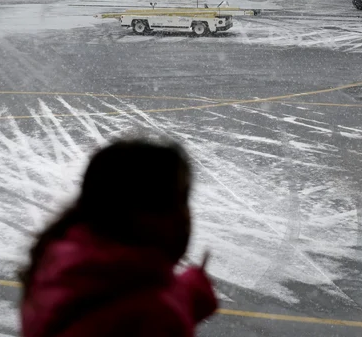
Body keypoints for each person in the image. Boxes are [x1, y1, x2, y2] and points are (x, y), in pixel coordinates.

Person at [20, 137, 217, 337]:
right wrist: (177, 304)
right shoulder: (156, 318)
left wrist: (184, 295)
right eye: (174, 202)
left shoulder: (63, 267)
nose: (185, 217)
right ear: (130, 212)